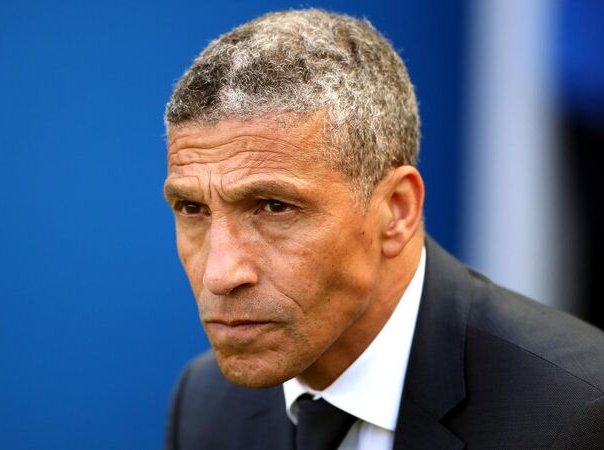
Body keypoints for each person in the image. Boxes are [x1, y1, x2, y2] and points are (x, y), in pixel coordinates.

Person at [161, 9, 604, 450]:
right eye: (192, 208)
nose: (220, 274)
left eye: (275, 207)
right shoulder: (205, 403)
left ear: (397, 210)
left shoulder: (577, 412)